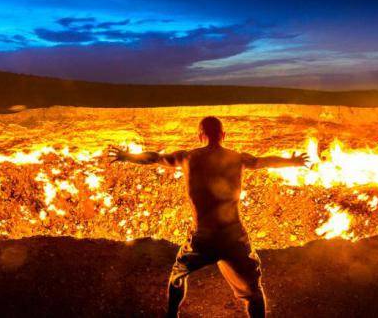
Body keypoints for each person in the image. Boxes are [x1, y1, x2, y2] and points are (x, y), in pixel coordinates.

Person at [108, 116, 307, 317]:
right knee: (253, 291)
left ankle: (172, 315)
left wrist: (128, 157)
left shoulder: (187, 157)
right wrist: (293, 161)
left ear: (200, 135)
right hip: (233, 236)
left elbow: (155, 158)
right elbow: (264, 162)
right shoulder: (237, 158)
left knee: (178, 274)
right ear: (223, 135)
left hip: (203, 237)